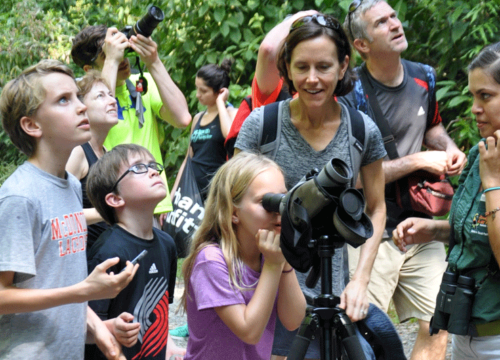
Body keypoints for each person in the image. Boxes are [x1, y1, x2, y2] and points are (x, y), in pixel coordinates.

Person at [234, 14, 387, 359]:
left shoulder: (361, 131)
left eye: (324, 66)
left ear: (344, 65)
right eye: (301, 67)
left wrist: (360, 280)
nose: (313, 79)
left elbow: (376, 208)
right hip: (266, 293)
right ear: (286, 68)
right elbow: (232, 203)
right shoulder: (263, 127)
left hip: (334, 294)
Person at [338, 1, 467, 359]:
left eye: (394, 16)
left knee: (439, 322)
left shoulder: (424, 74)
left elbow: (432, 127)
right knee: (360, 332)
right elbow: (353, 178)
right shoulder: (349, 94)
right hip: (367, 230)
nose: (395, 24)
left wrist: (449, 148)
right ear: (361, 44)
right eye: (382, 22)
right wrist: (418, 160)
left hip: (419, 226)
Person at [0, 59, 138, 360]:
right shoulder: (19, 197)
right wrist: (85, 291)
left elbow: (54, 286)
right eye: (63, 100)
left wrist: (98, 327)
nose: (81, 107)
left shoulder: (72, 186)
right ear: (32, 125)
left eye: (77, 96)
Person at [393, 41, 500, 360]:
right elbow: (471, 232)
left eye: (486, 96)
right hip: (466, 336)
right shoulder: (481, 152)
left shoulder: (490, 168)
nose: (474, 108)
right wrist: (433, 229)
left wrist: (493, 183)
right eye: (472, 96)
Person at [181, 152, 306, 359]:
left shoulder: (267, 255)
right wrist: (273, 266)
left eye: (283, 198)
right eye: (266, 202)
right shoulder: (211, 260)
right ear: (233, 212)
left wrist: (282, 263)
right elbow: (249, 331)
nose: (278, 210)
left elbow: (294, 320)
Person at [71, 25, 192, 218]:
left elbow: (182, 118)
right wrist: (112, 59)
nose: (123, 59)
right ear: (88, 69)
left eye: (123, 51)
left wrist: (153, 61)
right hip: (114, 208)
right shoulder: (82, 97)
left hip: (153, 205)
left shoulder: (141, 83)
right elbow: (100, 112)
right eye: (108, 56)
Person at [86, 144, 185, 360]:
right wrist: (112, 328)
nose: (153, 171)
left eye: (152, 165)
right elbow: (88, 327)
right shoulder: (108, 251)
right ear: (115, 199)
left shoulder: (167, 243)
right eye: (138, 168)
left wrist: (166, 346)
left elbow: (160, 312)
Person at [66, 70, 118, 252]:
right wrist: (108, 211)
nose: (112, 101)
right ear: (81, 108)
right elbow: (60, 215)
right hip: (84, 262)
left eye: (111, 95)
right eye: (100, 96)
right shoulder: (77, 152)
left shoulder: (107, 154)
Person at [173, 59, 238, 201]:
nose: (197, 95)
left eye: (203, 91)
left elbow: (229, 135)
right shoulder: (197, 118)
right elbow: (188, 159)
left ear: (219, 91)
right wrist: (174, 194)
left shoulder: (232, 114)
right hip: (192, 192)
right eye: (197, 88)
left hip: (217, 193)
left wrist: (220, 102)